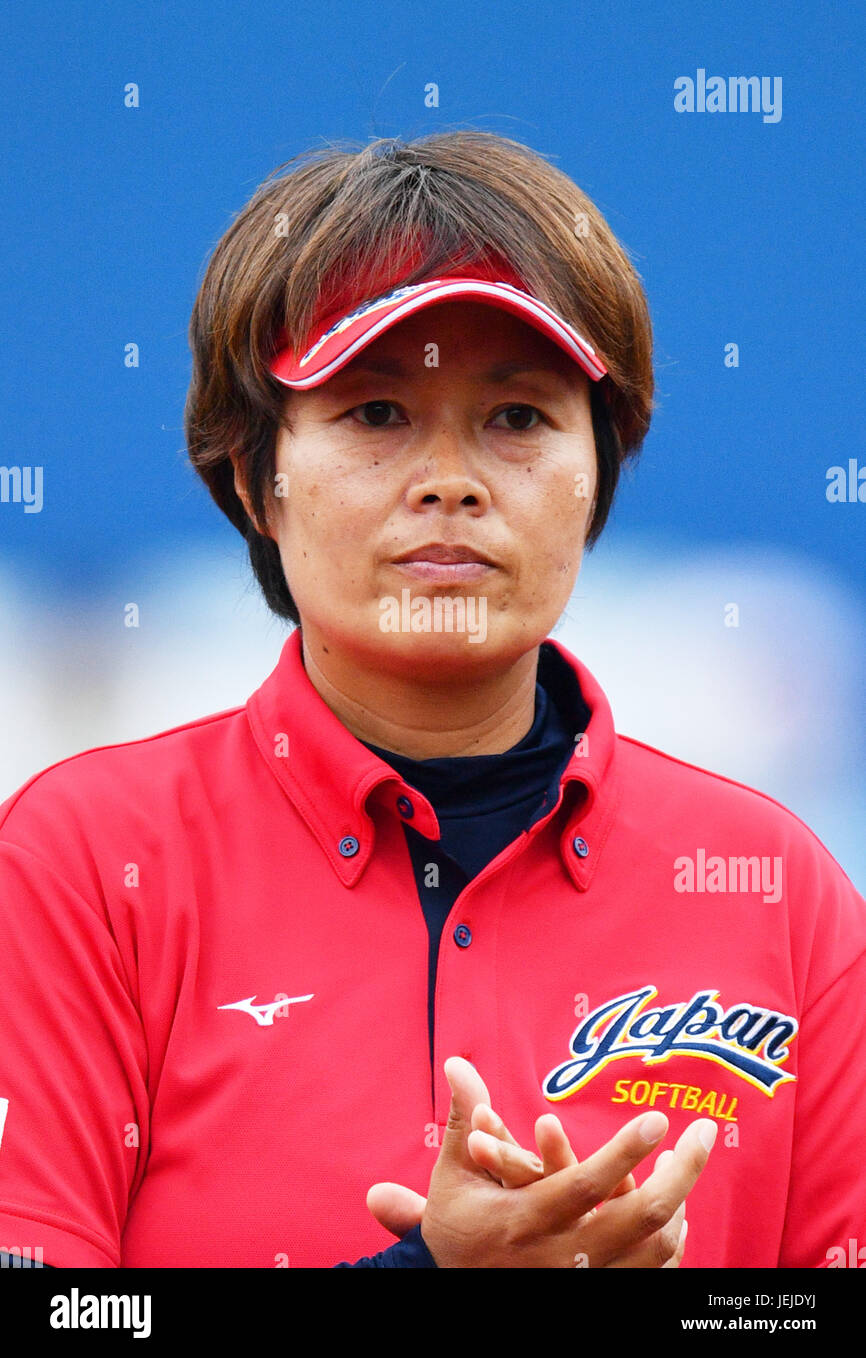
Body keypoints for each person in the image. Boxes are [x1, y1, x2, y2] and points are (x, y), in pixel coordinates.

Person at [0, 130, 863, 1269]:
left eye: (517, 417)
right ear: (257, 476)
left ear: (598, 471)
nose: (450, 480)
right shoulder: (81, 861)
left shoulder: (775, 886)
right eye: (374, 413)